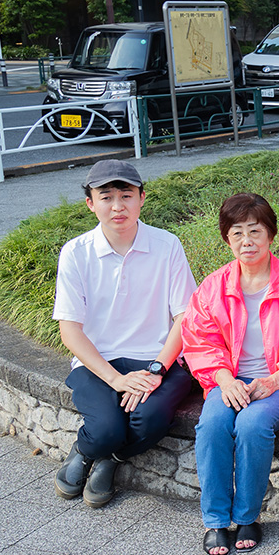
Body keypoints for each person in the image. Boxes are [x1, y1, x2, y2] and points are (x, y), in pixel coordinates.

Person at [52, 160, 197, 508]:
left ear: (142, 199)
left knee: (149, 420)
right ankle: (88, 450)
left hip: (158, 360)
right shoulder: (76, 252)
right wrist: (116, 380)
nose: (118, 206)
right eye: (107, 197)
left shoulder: (166, 245)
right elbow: (70, 330)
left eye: (126, 195)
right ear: (90, 203)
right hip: (98, 364)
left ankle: (107, 460)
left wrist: (157, 369)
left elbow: (185, 317)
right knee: (105, 429)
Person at [182, 194, 279, 555]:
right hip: (228, 380)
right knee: (212, 425)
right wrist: (225, 381)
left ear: (270, 234)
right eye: (236, 233)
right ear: (227, 239)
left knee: (253, 426)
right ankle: (215, 521)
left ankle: (247, 517)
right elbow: (200, 342)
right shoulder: (214, 287)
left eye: (255, 231)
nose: (246, 241)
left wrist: (272, 381)